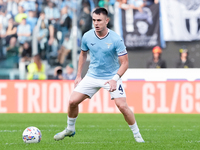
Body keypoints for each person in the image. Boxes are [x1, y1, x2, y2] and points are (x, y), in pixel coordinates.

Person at [54, 7, 144, 143]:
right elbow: (83, 54)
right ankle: (70, 129)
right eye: (94, 20)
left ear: (107, 21)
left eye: (99, 20)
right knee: (72, 101)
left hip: (112, 77)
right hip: (92, 76)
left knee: (123, 106)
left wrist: (115, 79)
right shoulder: (87, 36)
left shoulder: (116, 39)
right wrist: (79, 75)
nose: (96, 23)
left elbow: (125, 63)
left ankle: (137, 135)